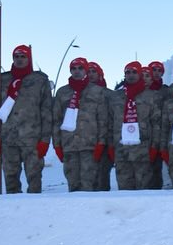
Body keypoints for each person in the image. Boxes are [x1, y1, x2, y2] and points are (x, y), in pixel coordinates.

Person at [0, 45, 53, 194]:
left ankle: (33, 213)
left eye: (23, 56)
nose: (19, 60)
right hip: (8, 140)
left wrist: (45, 140)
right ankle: (13, 213)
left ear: (29, 59)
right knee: (11, 182)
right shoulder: (2, 80)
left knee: (34, 181)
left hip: (32, 140)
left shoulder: (40, 80)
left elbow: (47, 112)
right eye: (16, 56)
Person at [52, 57, 108, 192]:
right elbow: (56, 120)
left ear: (86, 70)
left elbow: (102, 119)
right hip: (69, 146)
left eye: (80, 68)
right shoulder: (62, 92)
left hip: (89, 146)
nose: (77, 71)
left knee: (89, 185)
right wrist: (57, 145)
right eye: (73, 69)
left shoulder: (97, 91)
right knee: (73, 185)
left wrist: (101, 143)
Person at [109, 61, 161, 190]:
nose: (131, 75)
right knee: (124, 189)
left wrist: (154, 147)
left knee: (144, 189)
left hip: (143, 150)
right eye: (128, 72)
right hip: (122, 151)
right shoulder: (116, 96)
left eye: (134, 72)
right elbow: (109, 122)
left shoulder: (151, 96)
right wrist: (110, 146)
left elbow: (156, 123)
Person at [87, 62, 114, 190]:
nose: (91, 75)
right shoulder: (80, 94)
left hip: (106, 142)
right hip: (87, 141)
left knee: (102, 177)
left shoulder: (109, 94)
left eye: (94, 72)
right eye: (88, 72)